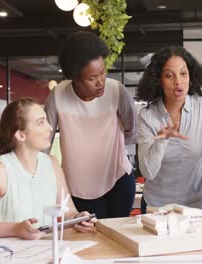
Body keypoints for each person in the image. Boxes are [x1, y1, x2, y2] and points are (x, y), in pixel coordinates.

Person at [0, 98, 96, 240]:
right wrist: (15, 229)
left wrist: (78, 218)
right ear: (20, 134)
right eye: (41, 123)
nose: (50, 128)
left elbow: (68, 212)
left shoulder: (52, 164)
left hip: (45, 253)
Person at [44, 31, 137, 219]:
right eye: (92, 78)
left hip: (117, 178)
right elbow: (43, 141)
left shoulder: (116, 91)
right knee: (89, 239)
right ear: (74, 78)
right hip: (78, 185)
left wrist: (112, 148)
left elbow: (132, 130)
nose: (100, 81)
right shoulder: (58, 95)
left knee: (118, 242)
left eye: (103, 72)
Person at [137, 46, 202, 215]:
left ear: (191, 77)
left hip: (194, 206)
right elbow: (148, 172)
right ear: (159, 80)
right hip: (156, 207)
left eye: (183, 73)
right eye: (169, 75)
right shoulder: (147, 116)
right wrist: (161, 141)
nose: (178, 81)